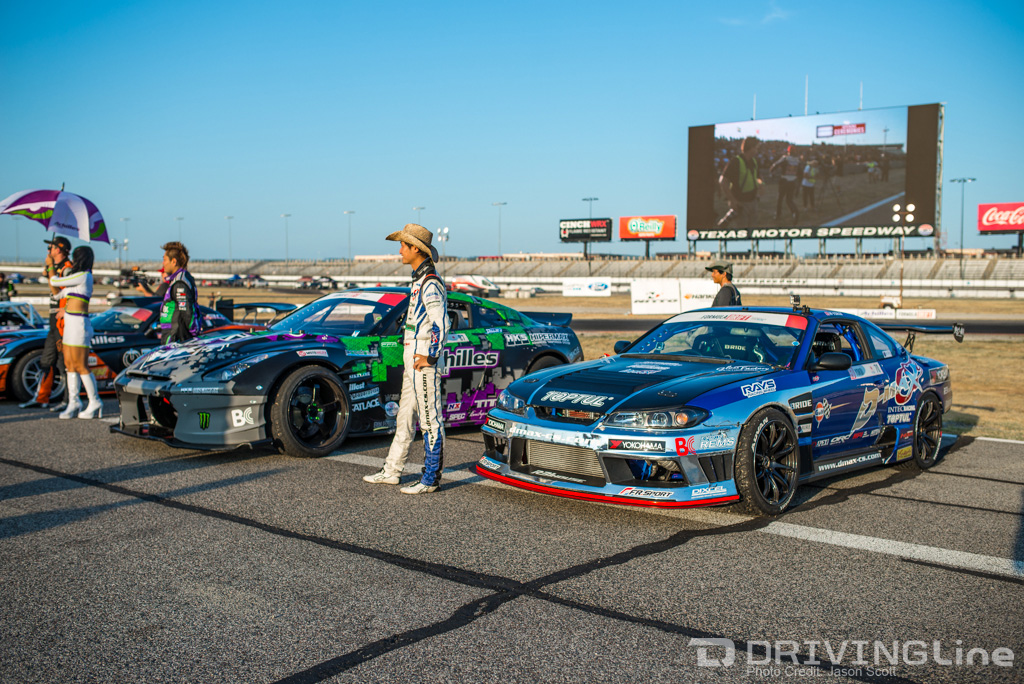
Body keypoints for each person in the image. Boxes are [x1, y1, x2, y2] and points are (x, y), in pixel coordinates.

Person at [363, 224, 451, 495]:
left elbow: (441, 323)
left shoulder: (430, 283)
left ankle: (430, 479)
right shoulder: (418, 280)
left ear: (416, 249)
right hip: (412, 355)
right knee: (404, 417)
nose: (399, 250)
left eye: (403, 245)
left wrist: (431, 356)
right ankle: (392, 471)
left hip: (423, 358)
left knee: (429, 419)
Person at [20, 237, 73, 410]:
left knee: (63, 361)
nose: (48, 250)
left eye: (50, 247)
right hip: (52, 318)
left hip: (62, 320)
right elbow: (47, 276)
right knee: (46, 360)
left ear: (59, 249)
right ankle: (42, 397)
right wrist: (49, 267)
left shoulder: (67, 268)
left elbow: (56, 290)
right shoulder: (56, 267)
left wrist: (50, 267)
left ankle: (68, 400)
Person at [50, 245, 103, 419]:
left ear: (79, 258)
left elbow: (55, 282)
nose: (71, 260)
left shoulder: (83, 276)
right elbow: (57, 294)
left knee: (80, 365)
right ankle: (74, 402)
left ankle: (94, 401)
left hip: (80, 324)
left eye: (74, 257)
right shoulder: (77, 279)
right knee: (69, 365)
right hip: (71, 323)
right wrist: (49, 270)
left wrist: (50, 266)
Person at [157, 241, 200, 344]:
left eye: (164, 259)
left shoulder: (180, 282)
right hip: (171, 335)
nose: (163, 263)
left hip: (176, 339)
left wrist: (193, 336)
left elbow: (187, 313)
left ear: (174, 261)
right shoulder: (177, 279)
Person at [717, 136, 762, 228]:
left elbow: (757, 177)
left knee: (752, 228)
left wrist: (761, 184)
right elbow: (723, 181)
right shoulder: (736, 162)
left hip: (753, 201)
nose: (757, 150)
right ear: (750, 148)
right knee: (742, 230)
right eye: (756, 147)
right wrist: (732, 200)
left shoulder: (754, 161)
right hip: (741, 202)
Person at [770, 145, 801, 224]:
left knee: (780, 198)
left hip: (784, 180)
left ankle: (778, 214)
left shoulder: (785, 158)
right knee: (789, 200)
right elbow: (800, 173)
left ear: (788, 151)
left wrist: (771, 171)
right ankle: (794, 212)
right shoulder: (797, 160)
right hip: (793, 181)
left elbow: (775, 165)